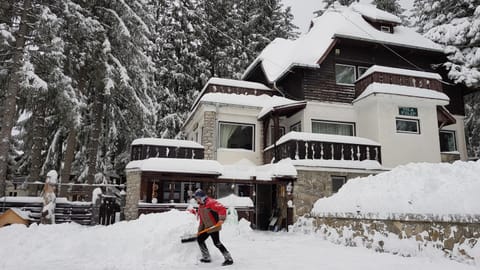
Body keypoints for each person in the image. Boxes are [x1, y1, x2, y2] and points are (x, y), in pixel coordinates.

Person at [194, 189, 234, 266]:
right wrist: (199, 231)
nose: (197, 200)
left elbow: (222, 208)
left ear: (202, 197)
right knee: (200, 239)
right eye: (196, 198)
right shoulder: (201, 206)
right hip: (207, 227)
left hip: (214, 226)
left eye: (198, 198)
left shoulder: (210, 202)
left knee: (216, 243)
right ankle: (206, 257)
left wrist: (221, 219)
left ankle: (228, 258)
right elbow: (202, 220)